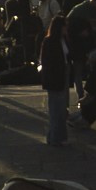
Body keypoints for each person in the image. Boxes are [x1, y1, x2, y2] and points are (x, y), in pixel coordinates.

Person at [39, 10, 70, 147]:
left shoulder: (62, 40)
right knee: (56, 108)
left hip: (63, 74)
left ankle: (58, 136)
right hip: (55, 76)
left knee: (61, 108)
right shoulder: (50, 41)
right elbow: (47, 61)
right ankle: (54, 136)